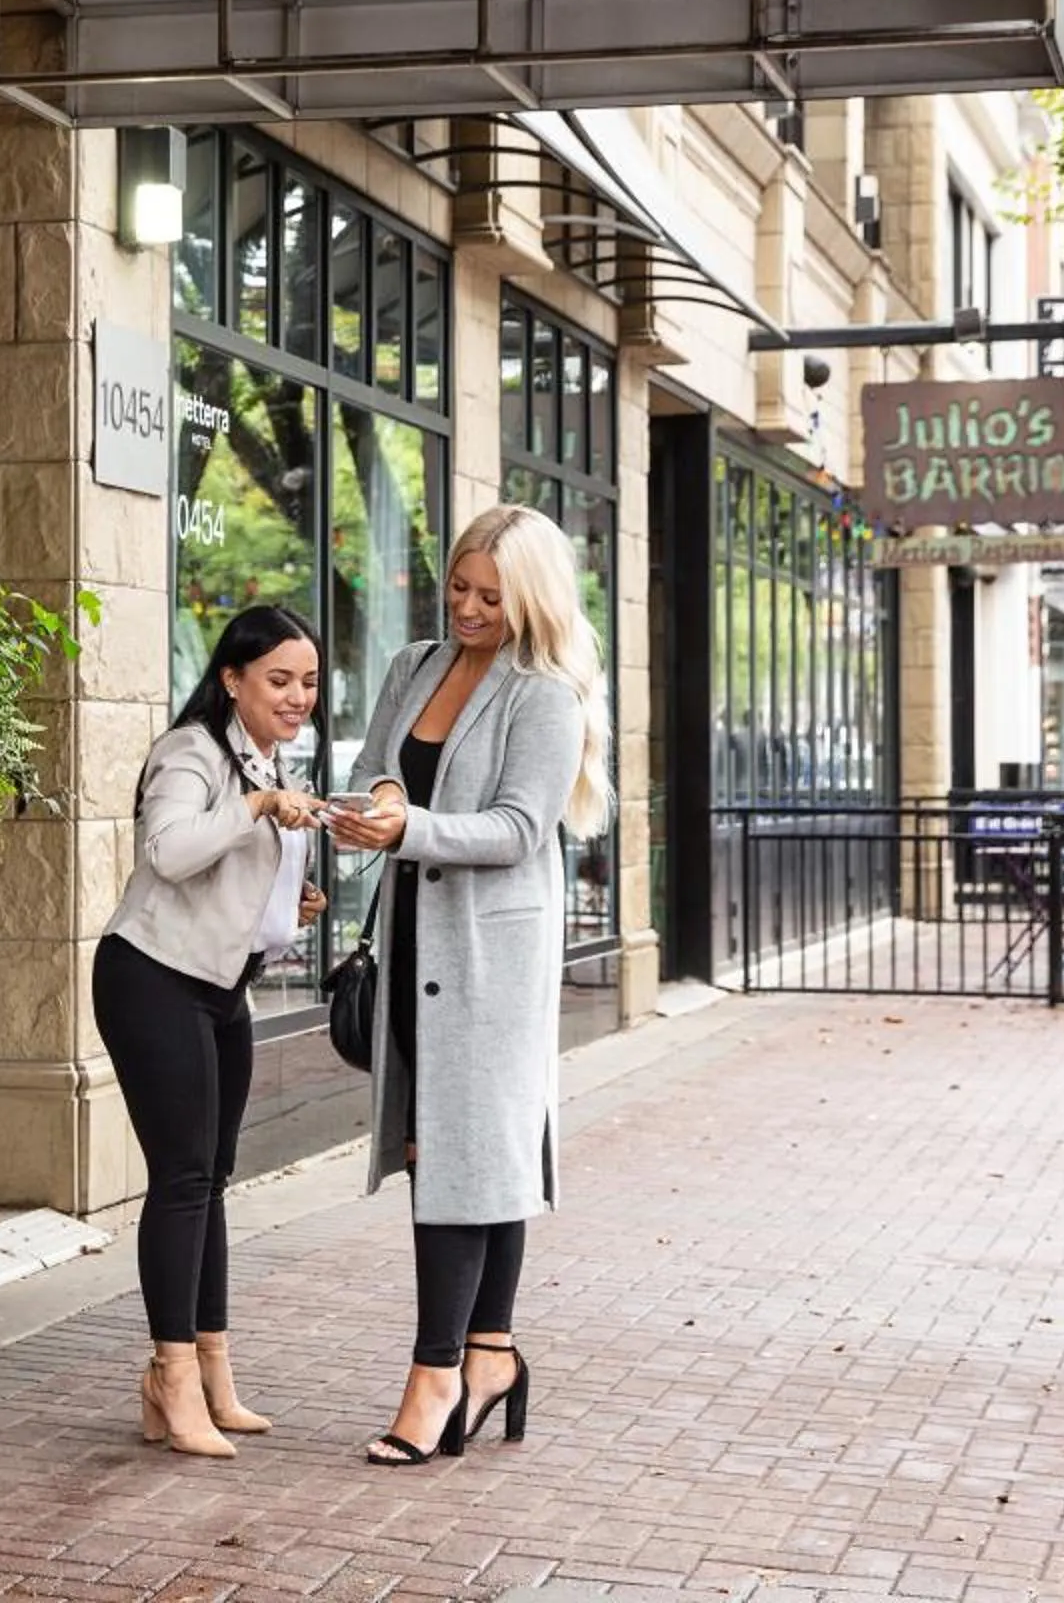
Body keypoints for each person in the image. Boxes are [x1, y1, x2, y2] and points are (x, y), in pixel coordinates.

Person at [327, 505, 610, 1467]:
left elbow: (519, 829)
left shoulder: (546, 696)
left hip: (492, 955)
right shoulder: (413, 667)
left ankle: (435, 1375)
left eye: (492, 595)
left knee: (469, 1152)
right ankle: (490, 1356)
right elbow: (372, 771)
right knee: (453, 1151)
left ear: (530, 598)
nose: (469, 608)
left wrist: (409, 829)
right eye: (458, 587)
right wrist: (368, 812)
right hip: (415, 942)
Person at [95, 605, 331, 1458]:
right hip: (152, 979)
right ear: (232, 678)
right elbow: (169, 851)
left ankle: (212, 1374)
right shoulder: (192, 752)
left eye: (307, 681)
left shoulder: (268, 759)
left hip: (221, 987)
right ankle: (170, 1376)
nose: (298, 695)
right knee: (183, 1178)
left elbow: (235, 883)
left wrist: (291, 910)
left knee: (213, 1179)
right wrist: (260, 804)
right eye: (280, 680)